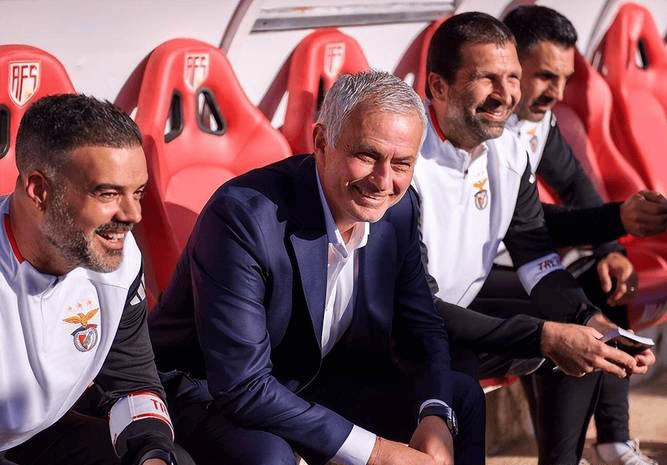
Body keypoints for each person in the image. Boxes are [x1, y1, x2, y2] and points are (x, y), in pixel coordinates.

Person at [149, 70, 486, 465]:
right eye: (367, 156)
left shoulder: (399, 208)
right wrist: (377, 453)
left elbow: (422, 326)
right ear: (322, 142)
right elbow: (242, 385)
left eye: (402, 163)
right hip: (208, 391)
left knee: (459, 398)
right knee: (269, 457)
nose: (383, 181)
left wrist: (435, 416)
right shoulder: (243, 216)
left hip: (308, 380)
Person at [415, 12, 656, 465]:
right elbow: (416, 307)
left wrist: (590, 322)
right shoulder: (404, 158)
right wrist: (545, 336)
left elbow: (536, 253)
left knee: (584, 334)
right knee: (467, 376)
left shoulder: (509, 148)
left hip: (452, 317)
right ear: (438, 86)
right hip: (396, 334)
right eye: (487, 78)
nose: (506, 94)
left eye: (511, 77)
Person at [500, 6, 659, 465]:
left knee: (605, 278)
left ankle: (613, 441)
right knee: (572, 313)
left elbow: (573, 183)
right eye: (545, 76)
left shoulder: (537, 118)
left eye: (565, 78)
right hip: (475, 278)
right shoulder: (484, 126)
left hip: (523, 260)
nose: (557, 92)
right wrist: (617, 220)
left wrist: (609, 247)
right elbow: (523, 221)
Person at [0, 94, 179, 465]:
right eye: (108, 193)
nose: (133, 214)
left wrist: (152, 454)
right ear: (39, 191)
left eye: (138, 192)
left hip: (40, 433)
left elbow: (130, 381)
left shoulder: (117, 254)